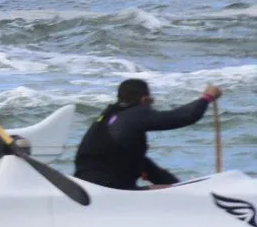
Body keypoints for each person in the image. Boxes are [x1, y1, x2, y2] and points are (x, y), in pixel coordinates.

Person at [73, 79, 222, 189]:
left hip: (85, 185)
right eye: (150, 101)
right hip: (109, 190)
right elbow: (182, 117)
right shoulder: (135, 114)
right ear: (144, 100)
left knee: (166, 187)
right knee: (161, 191)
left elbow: (139, 162)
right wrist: (207, 98)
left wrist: (178, 186)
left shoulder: (109, 115)